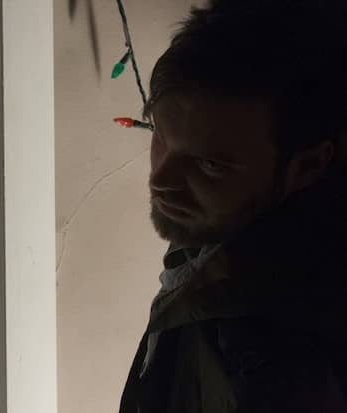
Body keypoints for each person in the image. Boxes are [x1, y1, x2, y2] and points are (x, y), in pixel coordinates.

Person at [118, 0, 347, 412]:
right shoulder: (218, 242)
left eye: (209, 164)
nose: (162, 180)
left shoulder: (283, 351)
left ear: (308, 166)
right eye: (161, 138)